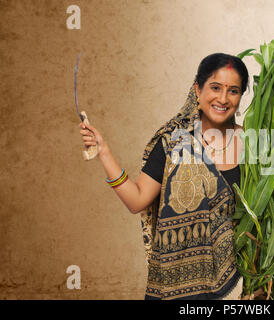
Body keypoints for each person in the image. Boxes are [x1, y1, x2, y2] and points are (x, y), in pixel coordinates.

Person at [78, 53, 249, 300]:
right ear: (197, 90)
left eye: (233, 91)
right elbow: (136, 201)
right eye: (215, 88)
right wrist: (104, 152)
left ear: (241, 96)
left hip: (238, 287)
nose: (223, 98)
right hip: (176, 288)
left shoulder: (256, 144)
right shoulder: (173, 143)